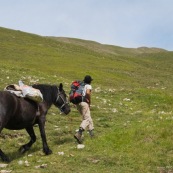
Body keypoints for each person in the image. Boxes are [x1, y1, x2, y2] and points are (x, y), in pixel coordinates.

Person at [74, 75, 94, 144]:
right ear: (90, 81)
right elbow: (88, 93)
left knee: (88, 118)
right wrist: (89, 102)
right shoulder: (88, 86)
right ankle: (79, 133)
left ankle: (92, 135)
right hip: (84, 103)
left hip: (78, 103)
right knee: (86, 119)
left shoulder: (80, 86)